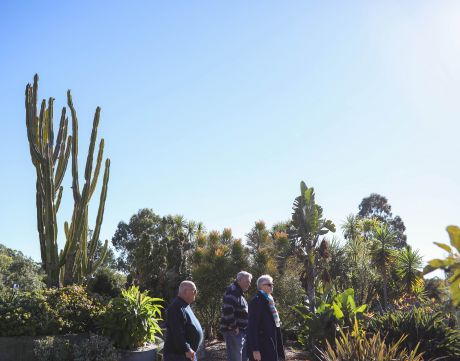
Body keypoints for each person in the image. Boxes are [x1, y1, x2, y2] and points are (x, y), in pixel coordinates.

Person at [246, 275, 285, 361]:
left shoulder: (269, 300)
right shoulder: (257, 301)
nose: (272, 286)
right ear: (261, 286)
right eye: (269, 284)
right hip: (262, 346)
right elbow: (252, 327)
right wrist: (255, 350)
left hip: (270, 343)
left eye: (272, 284)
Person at [164, 281, 203, 361]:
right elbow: (177, 333)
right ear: (185, 291)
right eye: (194, 291)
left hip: (185, 355)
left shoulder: (184, 305)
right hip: (177, 356)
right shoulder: (175, 307)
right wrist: (187, 349)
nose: (196, 293)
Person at [220, 271, 253, 361]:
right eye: (247, 282)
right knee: (236, 358)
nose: (249, 284)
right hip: (233, 331)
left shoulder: (238, 292)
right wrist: (234, 327)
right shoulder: (233, 291)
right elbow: (227, 310)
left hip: (239, 331)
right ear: (239, 280)